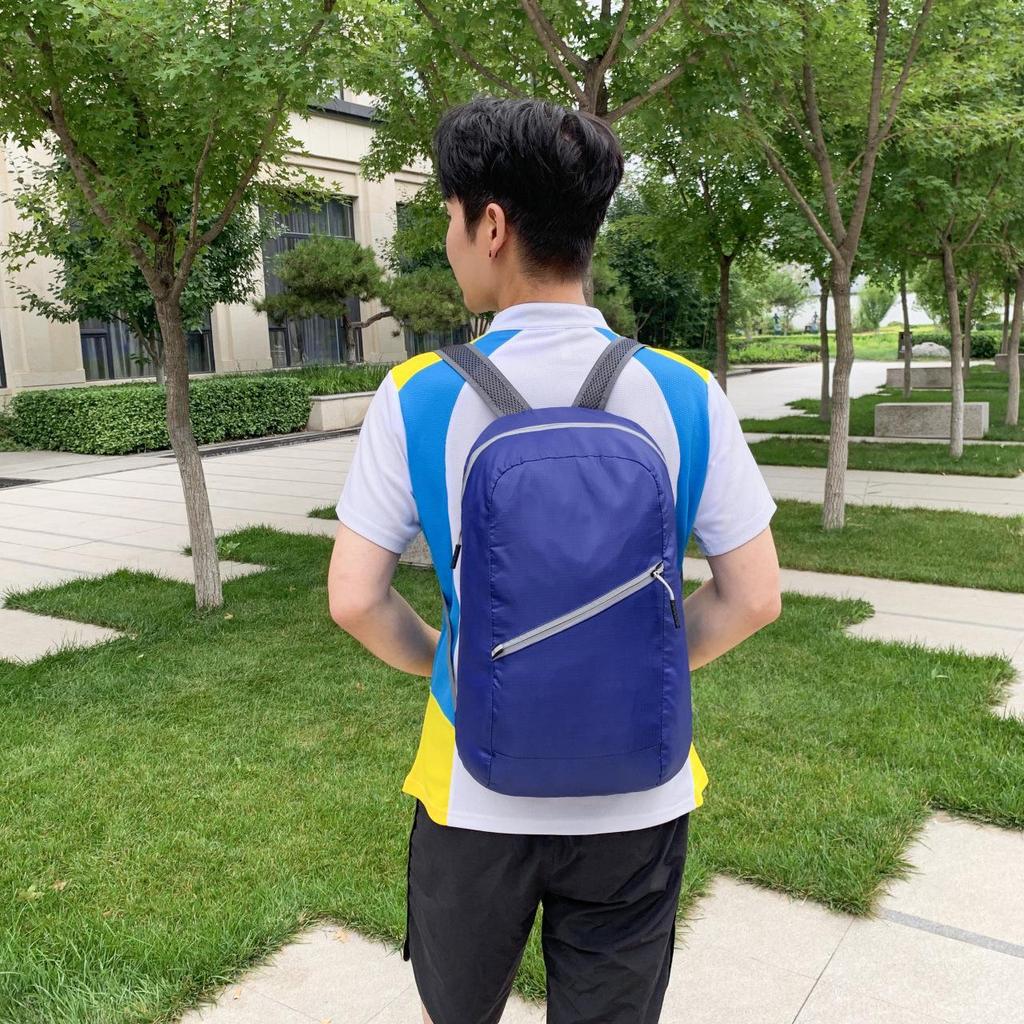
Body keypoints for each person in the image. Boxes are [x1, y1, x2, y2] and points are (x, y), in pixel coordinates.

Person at [328, 96, 782, 1024]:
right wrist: (627, 668)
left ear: (491, 226)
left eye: (449, 217)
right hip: (639, 790)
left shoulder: (415, 395)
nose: (448, 240)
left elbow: (355, 600)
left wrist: (460, 665)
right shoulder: (688, 392)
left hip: (473, 790)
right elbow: (752, 598)